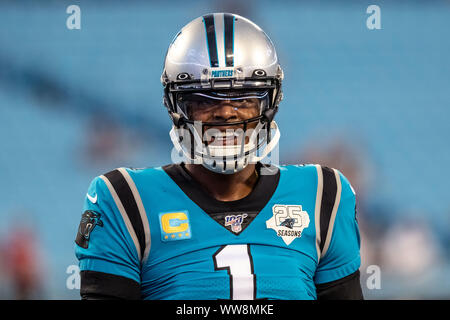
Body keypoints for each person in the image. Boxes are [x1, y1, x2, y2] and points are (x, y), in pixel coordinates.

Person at [75, 13, 363, 300]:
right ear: (176, 106)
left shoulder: (323, 194)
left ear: (270, 102)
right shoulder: (125, 200)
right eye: (203, 99)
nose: (225, 112)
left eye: (244, 98)